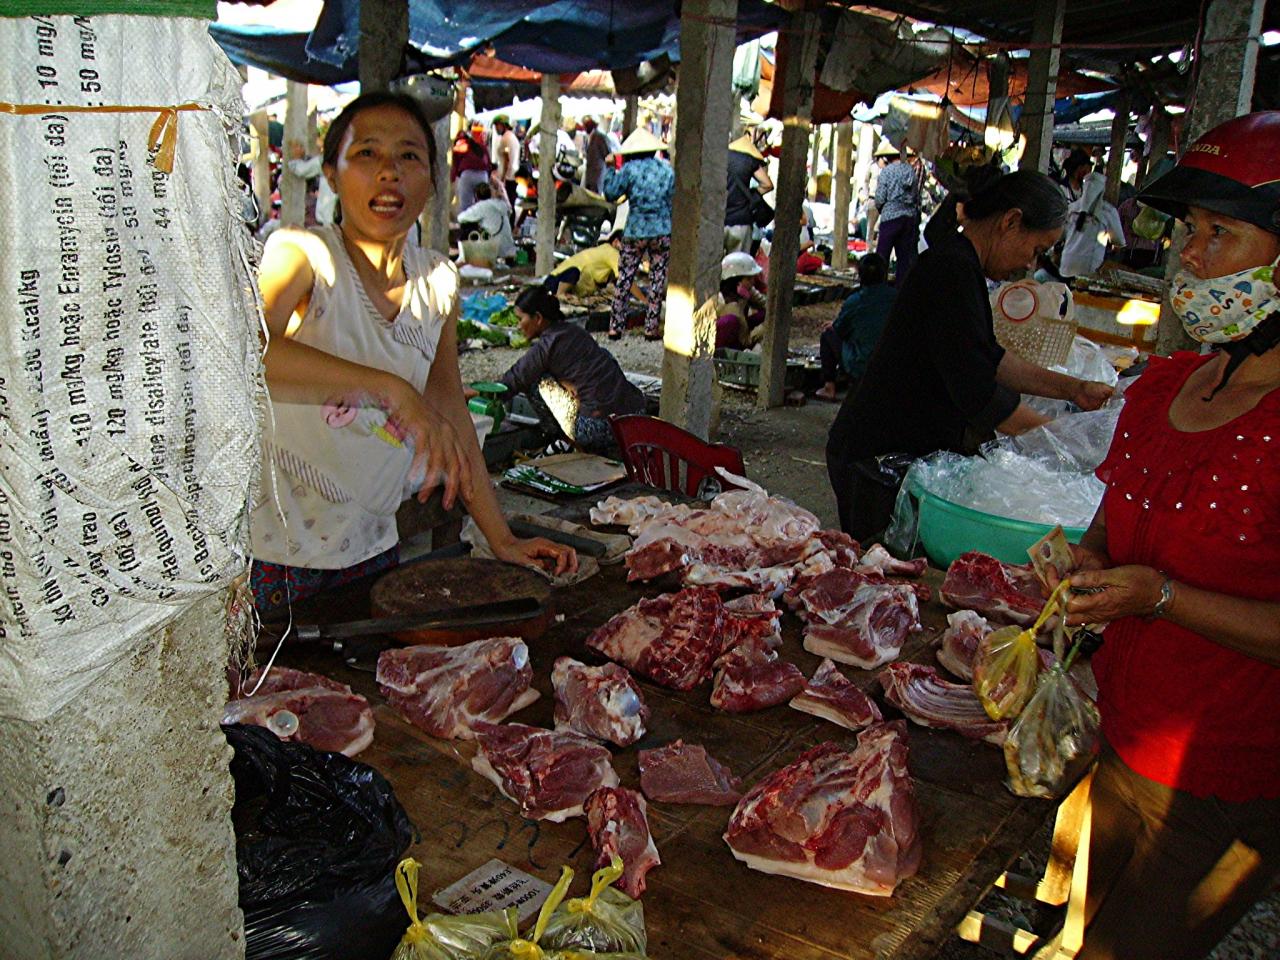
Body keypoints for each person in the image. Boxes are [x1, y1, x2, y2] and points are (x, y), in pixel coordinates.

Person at [1045, 112, 1280, 960]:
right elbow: (1112, 529)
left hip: (1226, 780)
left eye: (1223, 235)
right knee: (1084, 931)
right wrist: (1086, 561)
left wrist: (1163, 597)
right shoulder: (1164, 386)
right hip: (1115, 735)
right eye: (1191, 231)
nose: (1191, 255)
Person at [250, 93, 574, 614]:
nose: (388, 173)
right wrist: (392, 391)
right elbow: (249, 357)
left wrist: (502, 539)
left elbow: (451, 414)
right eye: (367, 155)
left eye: (408, 156)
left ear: (431, 176)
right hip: (275, 558)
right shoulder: (302, 253)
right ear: (332, 174)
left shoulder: (438, 281)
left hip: (374, 551)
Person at [825, 169, 1114, 541]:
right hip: (875, 460)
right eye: (1037, 249)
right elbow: (979, 394)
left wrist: (1074, 390)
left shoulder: (962, 264)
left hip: (891, 453)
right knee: (879, 572)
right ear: (1011, 222)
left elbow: (989, 357)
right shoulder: (950, 269)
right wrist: (1067, 442)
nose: (1031, 263)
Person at [488, 286, 645, 454]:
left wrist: (466, 394)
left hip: (598, 428)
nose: (519, 326)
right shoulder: (575, 331)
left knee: (535, 379)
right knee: (602, 356)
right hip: (634, 416)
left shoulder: (547, 346)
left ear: (538, 318)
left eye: (521, 319)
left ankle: (562, 438)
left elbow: (509, 383)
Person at [601, 128, 674, 341]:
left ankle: (616, 326)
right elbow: (674, 198)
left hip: (635, 229)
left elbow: (611, 193)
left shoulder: (629, 170)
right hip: (662, 230)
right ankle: (651, 327)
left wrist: (609, 169)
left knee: (625, 277)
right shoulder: (667, 170)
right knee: (657, 280)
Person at [814, 252, 896, 402]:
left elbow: (840, 330)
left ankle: (829, 387)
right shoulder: (897, 297)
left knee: (827, 334)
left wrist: (834, 326)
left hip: (861, 364)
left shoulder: (855, 301)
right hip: (892, 363)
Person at [542, 231, 646, 307]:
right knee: (574, 272)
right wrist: (644, 301)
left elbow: (619, 281)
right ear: (615, 242)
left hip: (560, 282)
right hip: (556, 282)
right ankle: (560, 295)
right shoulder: (613, 253)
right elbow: (626, 279)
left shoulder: (606, 251)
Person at [1058, 169, 1125, 279]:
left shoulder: (1071, 209)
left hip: (1066, 265)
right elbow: (1119, 241)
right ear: (1102, 190)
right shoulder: (1108, 211)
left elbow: (1061, 236)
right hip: (1090, 268)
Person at [874, 146, 923, 284]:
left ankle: (878, 286)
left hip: (890, 217)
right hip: (908, 217)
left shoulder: (886, 172)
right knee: (904, 259)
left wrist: (884, 208)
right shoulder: (910, 171)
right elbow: (915, 195)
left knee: (882, 256)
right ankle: (901, 291)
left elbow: (880, 198)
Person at [724, 134, 773, 254]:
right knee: (739, 267)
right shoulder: (749, 161)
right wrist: (752, 195)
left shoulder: (719, 158)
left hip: (717, 220)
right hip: (741, 221)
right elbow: (767, 184)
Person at [715, 252, 766, 351]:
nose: (753, 282)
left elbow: (765, 305)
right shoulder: (727, 304)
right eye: (749, 279)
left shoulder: (745, 290)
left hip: (741, 330)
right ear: (736, 281)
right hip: (732, 343)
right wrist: (765, 327)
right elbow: (746, 341)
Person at [458, 181, 516, 267]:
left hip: (493, 250)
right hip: (509, 251)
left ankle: (463, 256)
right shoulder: (502, 204)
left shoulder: (482, 206)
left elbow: (461, 218)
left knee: (466, 227)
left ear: (476, 196)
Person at [451, 124, 491, 212]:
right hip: (482, 175)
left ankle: (466, 224)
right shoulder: (483, 146)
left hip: (467, 175)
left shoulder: (462, 144)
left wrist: (453, 176)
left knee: (465, 206)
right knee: (483, 204)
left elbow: (455, 161)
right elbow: (488, 164)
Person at [491, 114, 521, 212]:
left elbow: (507, 159)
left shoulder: (506, 139)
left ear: (502, 125)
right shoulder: (512, 137)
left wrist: (503, 179)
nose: (496, 129)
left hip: (507, 177)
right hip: (513, 176)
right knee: (510, 204)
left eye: (496, 126)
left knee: (506, 206)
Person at [582, 116, 610, 193]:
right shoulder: (587, 137)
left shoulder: (600, 137)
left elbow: (607, 153)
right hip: (590, 173)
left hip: (598, 171)